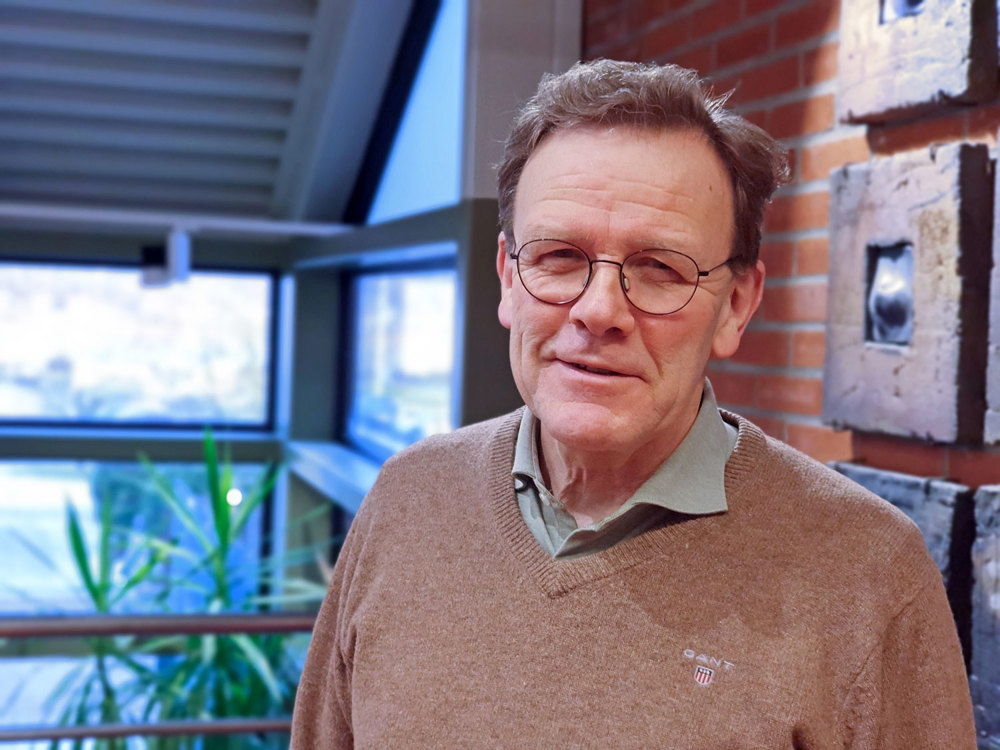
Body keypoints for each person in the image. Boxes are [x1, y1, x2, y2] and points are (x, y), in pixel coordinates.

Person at [290, 60, 976, 748]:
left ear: (736, 305)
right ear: (507, 278)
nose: (599, 311)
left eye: (660, 269)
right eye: (558, 255)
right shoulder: (409, 498)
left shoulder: (867, 568)